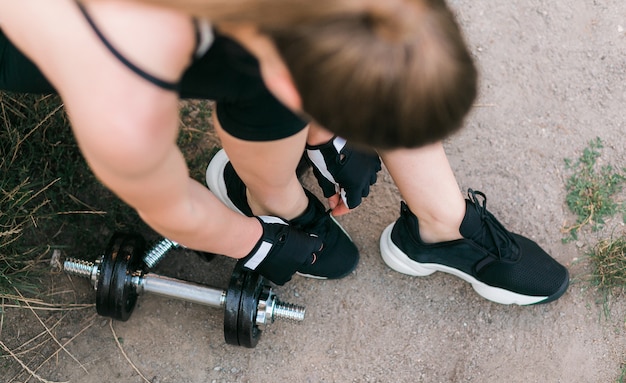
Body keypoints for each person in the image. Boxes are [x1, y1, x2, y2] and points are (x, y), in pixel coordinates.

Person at [0, 0, 568, 305]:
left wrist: (329, 136)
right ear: (297, 91)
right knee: (260, 97)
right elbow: (171, 208)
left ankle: (441, 223)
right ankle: (269, 201)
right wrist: (255, 243)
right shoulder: (125, 101)